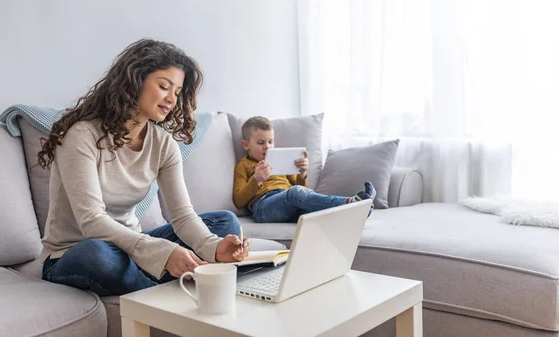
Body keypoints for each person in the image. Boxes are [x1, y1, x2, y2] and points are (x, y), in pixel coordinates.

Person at [37, 39, 250, 296]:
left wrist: (214, 246)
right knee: (96, 254)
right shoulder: (82, 136)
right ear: (135, 81)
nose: (172, 99)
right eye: (164, 86)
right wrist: (161, 252)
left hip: (131, 248)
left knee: (223, 222)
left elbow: (182, 216)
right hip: (72, 253)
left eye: (178, 91)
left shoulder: (163, 144)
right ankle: (173, 291)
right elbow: (91, 221)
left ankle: (164, 279)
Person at [233, 116, 375, 223]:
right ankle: (352, 204)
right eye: (260, 143)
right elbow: (239, 201)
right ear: (246, 145)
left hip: (288, 201)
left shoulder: (279, 159)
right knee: (294, 193)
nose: (267, 147)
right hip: (263, 207)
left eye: (270, 142)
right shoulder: (244, 165)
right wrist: (256, 180)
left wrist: (302, 173)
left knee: (313, 213)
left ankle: (356, 214)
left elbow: (302, 190)